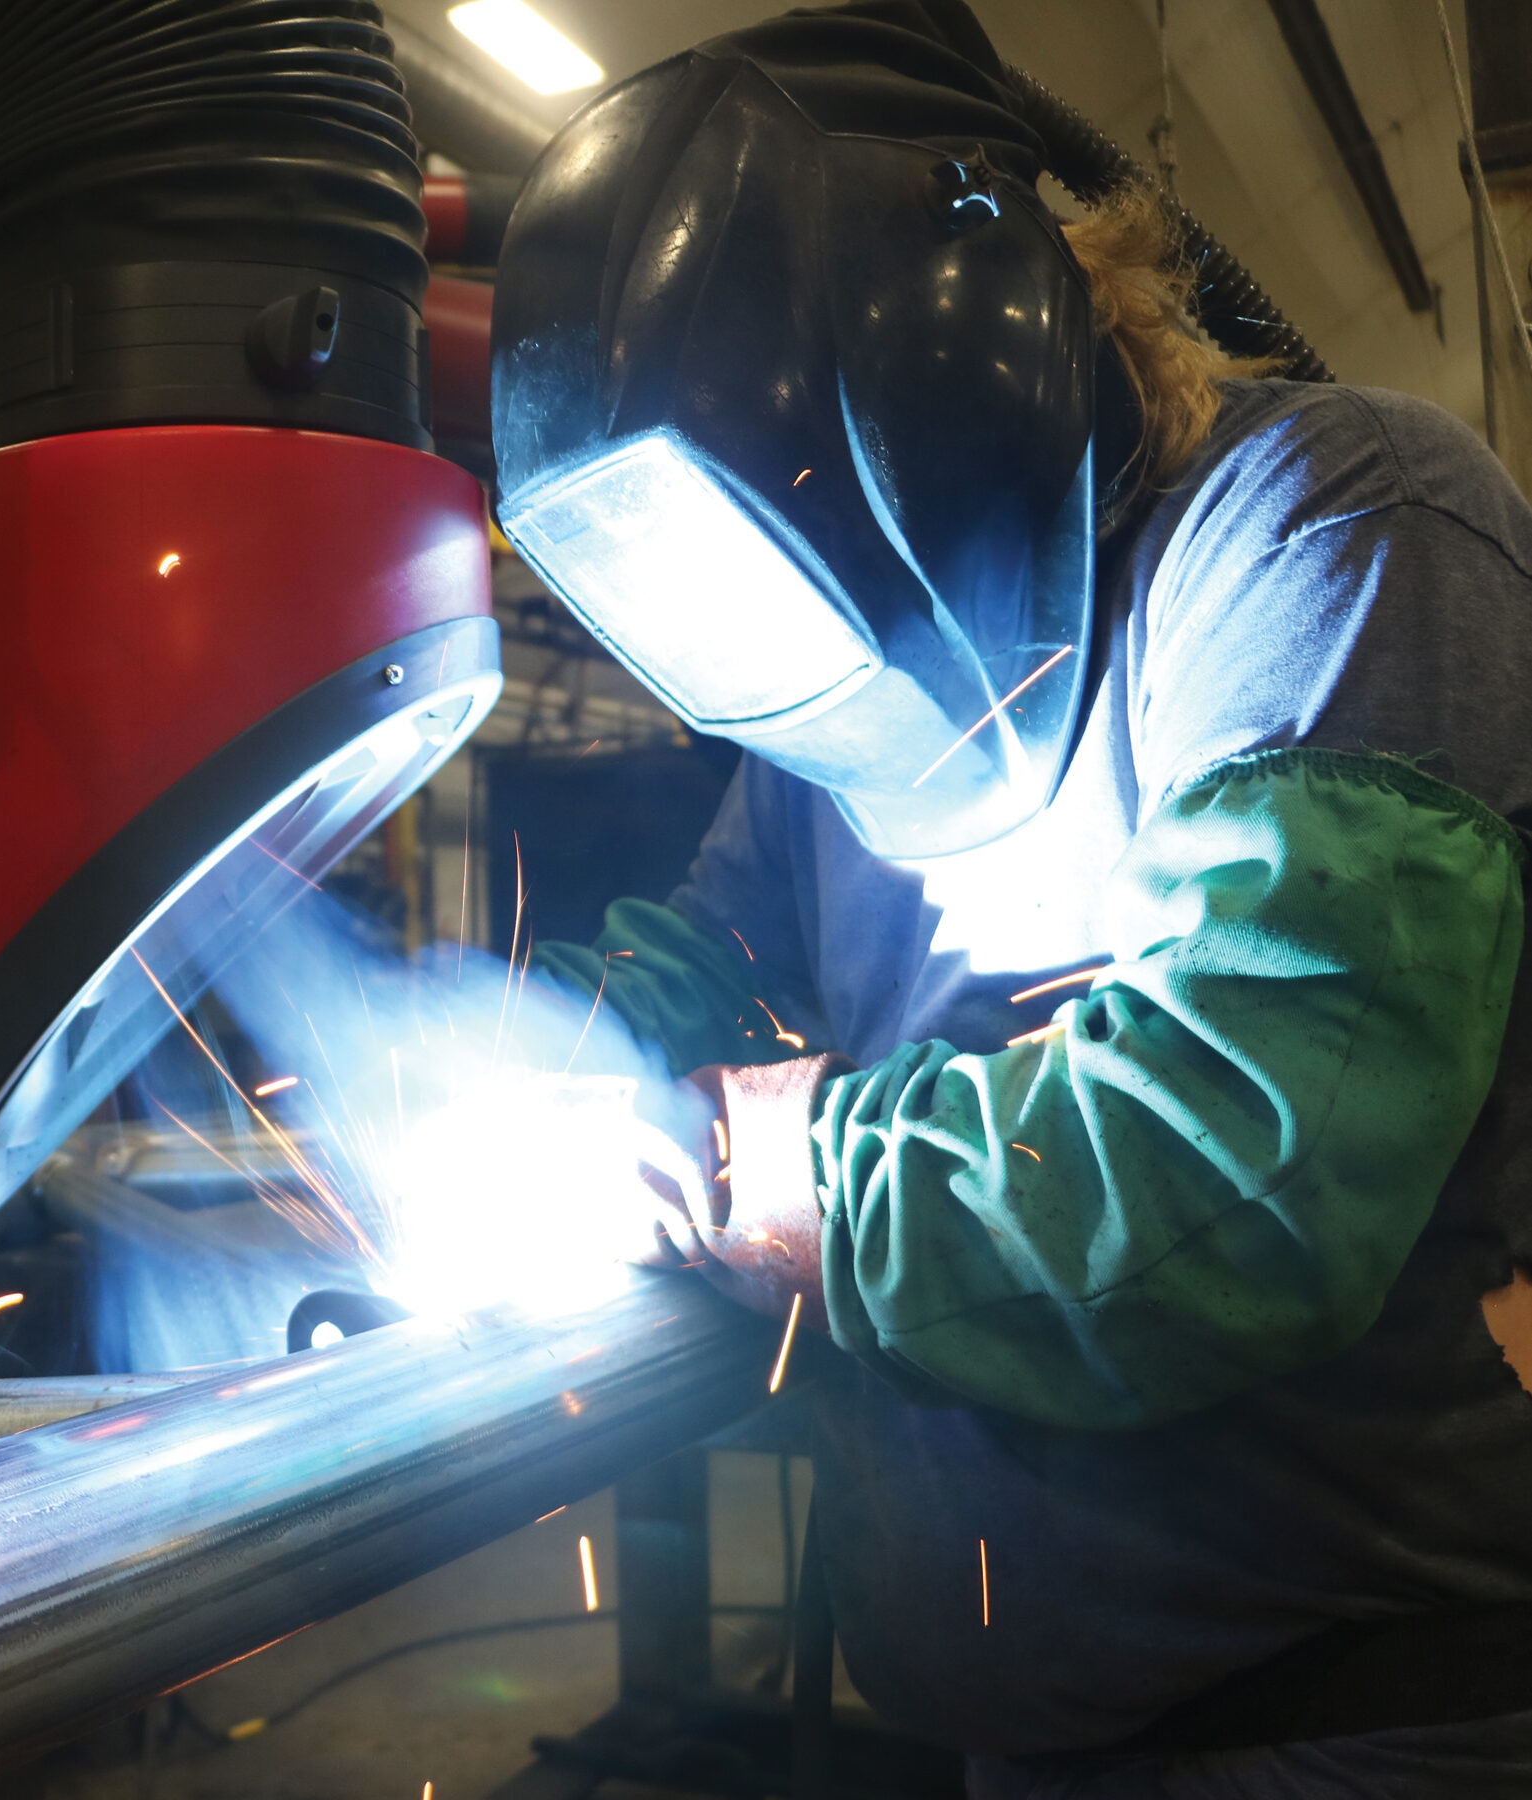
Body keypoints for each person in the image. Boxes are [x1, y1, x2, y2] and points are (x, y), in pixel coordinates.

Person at [501, 2, 1532, 1792]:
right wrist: (520, 1079)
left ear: (980, 358)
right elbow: (712, 963)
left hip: (1363, 1727)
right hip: (1028, 1735)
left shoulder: (1326, 530)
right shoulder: (846, 691)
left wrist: (766, 1170)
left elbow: (1235, 1172)